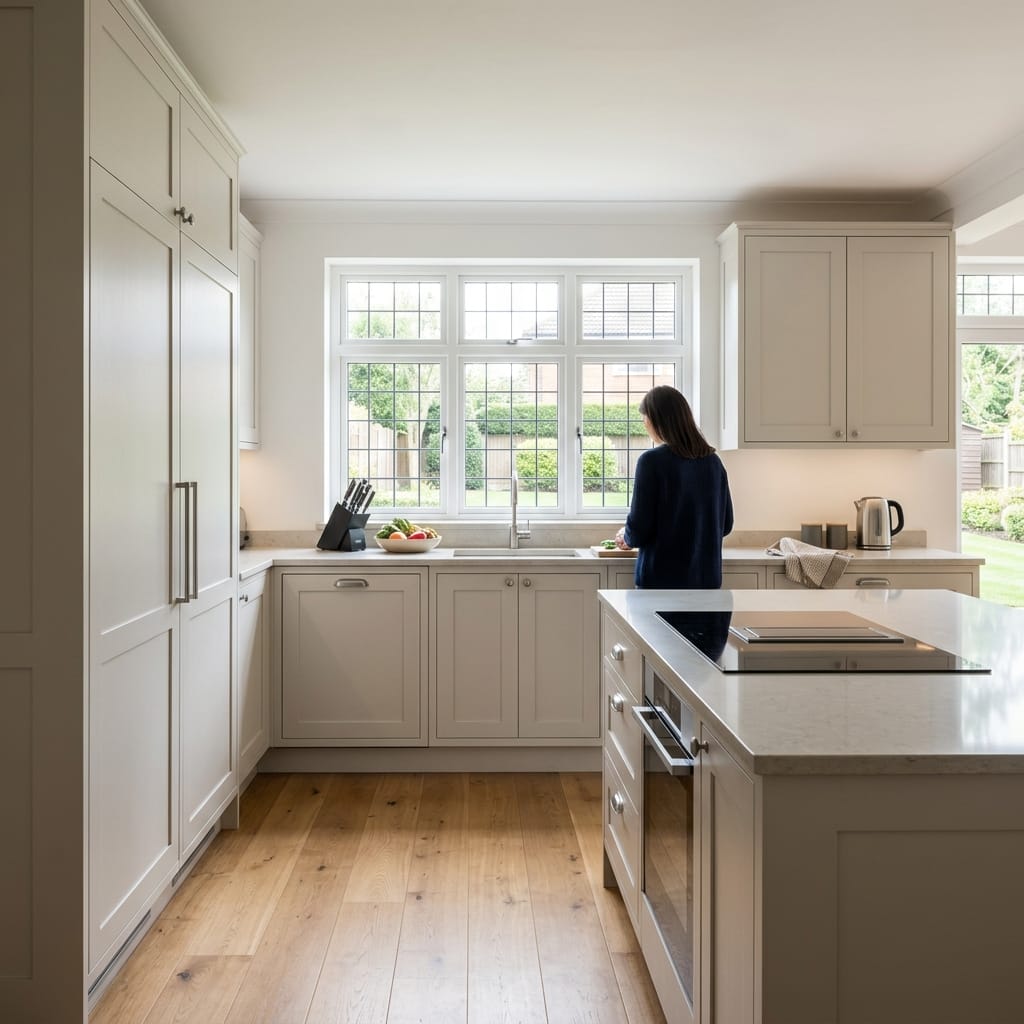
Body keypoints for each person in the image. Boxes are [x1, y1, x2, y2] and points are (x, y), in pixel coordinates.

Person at [615, 385, 734, 588]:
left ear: (656, 420)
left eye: (646, 419)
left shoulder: (651, 461)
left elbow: (639, 528)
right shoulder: (713, 462)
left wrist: (626, 536)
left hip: (660, 582)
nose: (645, 425)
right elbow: (726, 525)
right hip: (706, 581)